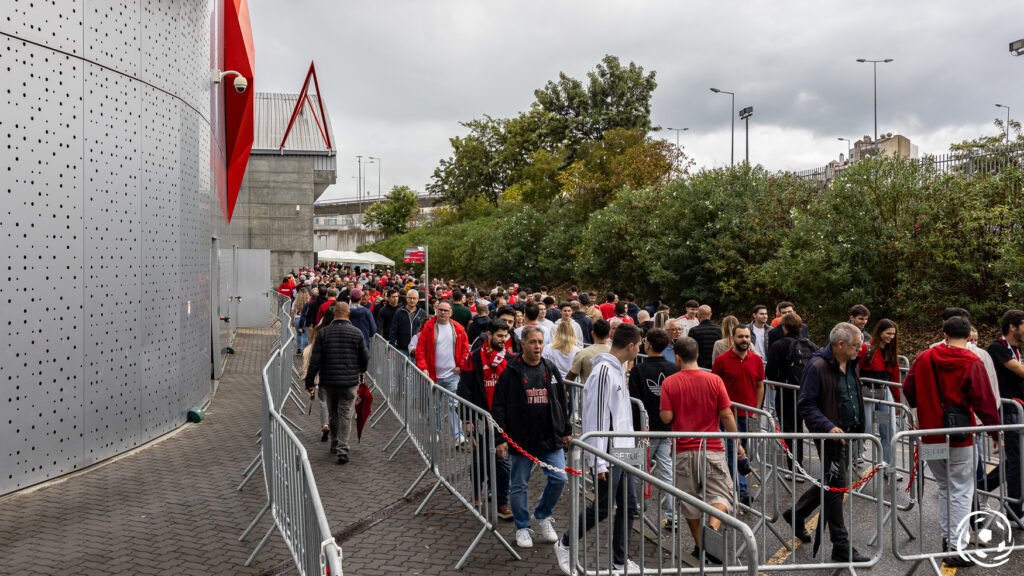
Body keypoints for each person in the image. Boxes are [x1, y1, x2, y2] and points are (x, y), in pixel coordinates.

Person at [904, 316, 1000, 567]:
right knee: (961, 489)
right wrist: (995, 432)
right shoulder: (972, 361)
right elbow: (985, 401)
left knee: (945, 487)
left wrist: (923, 407)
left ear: (944, 334)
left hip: (930, 433)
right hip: (960, 435)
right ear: (969, 337)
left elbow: (908, 387)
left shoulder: (924, 357)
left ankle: (949, 539)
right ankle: (957, 547)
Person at [555, 323, 643, 575]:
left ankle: (620, 561)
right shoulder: (604, 371)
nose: (639, 350)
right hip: (610, 452)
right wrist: (598, 460)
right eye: (638, 346)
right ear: (630, 345)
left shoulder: (617, 369)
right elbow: (596, 416)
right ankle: (565, 543)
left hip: (624, 449)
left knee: (629, 506)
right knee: (603, 507)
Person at [780, 323, 868, 563]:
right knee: (836, 488)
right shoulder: (817, 366)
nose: (859, 349)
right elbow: (806, 404)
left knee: (832, 483)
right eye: (855, 345)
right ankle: (841, 545)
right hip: (830, 437)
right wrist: (828, 427)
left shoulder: (851, 362)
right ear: (840, 344)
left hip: (849, 434)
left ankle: (796, 513)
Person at [659, 336, 742, 563]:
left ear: (677, 358)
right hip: (712, 447)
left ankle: (701, 544)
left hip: (683, 449)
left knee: (689, 502)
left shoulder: (670, 383)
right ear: (697, 355)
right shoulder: (714, 380)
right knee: (723, 493)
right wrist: (737, 442)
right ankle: (712, 527)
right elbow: (726, 414)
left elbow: (666, 417)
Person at [493, 327, 572, 549]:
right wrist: (500, 438)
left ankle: (543, 514)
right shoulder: (511, 372)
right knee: (519, 484)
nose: (537, 346)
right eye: (533, 342)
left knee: (559, 478)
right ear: (523, 344)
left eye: (540, 342)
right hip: (521, 439)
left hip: (549, 437)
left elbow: (561, 400)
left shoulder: (550, 368)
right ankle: (522, 526)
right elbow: (498, 406)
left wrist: (565, 429)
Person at [457, 319, 514, 520]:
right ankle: (476, 492)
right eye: (499, 335)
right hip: (480, 417)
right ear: (489, 335)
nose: (503, 339)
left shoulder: (510, 358)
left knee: (503, 463)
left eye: (505, 336)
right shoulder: (474, 357)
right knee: (480, 460)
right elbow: (465, 388)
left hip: (502, 421)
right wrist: (466, 418)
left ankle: (502, 503)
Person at [303, 302, 369, 465]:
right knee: (345, 414)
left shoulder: (323, 333)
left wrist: (309, 381)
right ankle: (343, 449)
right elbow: (364, 357)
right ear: (348, 314)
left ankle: (334, 443)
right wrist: (361, 369)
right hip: (349, 382)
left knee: (333, 413)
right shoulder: (357, 333)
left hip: (329, 381)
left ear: (334, 314)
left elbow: (315, 360)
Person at [627, 327, 679, 526]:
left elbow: (634, 402)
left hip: (644, 429)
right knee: (666, 471)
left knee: (638, 469)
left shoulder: (638, 370)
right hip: (666, 427)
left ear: (647, 344)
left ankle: (636, 506)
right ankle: (672, 515)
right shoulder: (674, 369)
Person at [711, 324, 764, 505]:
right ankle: (741, 490)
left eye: (747, 337)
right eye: (740, 336)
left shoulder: (756, 360)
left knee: (744, 453)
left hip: (749, 415)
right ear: (732, 338)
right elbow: (715, 386)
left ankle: (734, 484)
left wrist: (756, 411)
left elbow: (760, 386)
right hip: (728, 415)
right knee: (734, 451)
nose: (744, 340)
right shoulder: (722, 360)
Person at [983, 310, 1024, 520]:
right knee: (1016, 461)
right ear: (1012, 326)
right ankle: (1015, 510)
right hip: (1008, 410)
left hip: (1018, 410)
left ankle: (979, 488)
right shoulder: (997, 347)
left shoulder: (1016, 349)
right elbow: (1019, 370)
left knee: (1015, 461)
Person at [415, 300, 471, 447]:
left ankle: (458, 436)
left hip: (452, 375)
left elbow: (465, 348)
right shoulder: (428, 327)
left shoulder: (458, 328)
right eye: (441, 310)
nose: (443, 313)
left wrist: (460, 366)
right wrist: (423, 368)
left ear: (451, 312)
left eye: (446, 310)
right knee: (435, 406)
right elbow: (420, 350)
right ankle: (436, 432)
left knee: (453, 405)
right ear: (436, 310)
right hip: (433, 376)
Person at [766, 312, 811, 474]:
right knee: (806, 428)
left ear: (784, 326)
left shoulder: (778, 345)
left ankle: (795, 467)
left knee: (790, 429)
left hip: (786, 392)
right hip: (807, 392)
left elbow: (770, 371)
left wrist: (777, 382)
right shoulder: (809, 345)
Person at [858, 319, 900, 473]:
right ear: (880, 332)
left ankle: (888, 466)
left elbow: (894, 377)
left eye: (893, 334)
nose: (891, 337)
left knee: (887, 430)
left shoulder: (890, 351)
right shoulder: (866, 349)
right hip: (866, 392)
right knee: (866, 428)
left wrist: (897, 401)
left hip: (883, 393)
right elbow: (855, 370)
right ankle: (854, 455)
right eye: (888, 333)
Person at [566, 319, 611, 384]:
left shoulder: (583, 353)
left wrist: (564, 390)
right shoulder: (614, 354)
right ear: (608, 335)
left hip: (587, 389)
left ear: (592, 334)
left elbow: (570, 377)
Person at [389, 289, 426, 355]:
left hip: (416, 349)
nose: (412, 300)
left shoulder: (422, 313)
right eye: (410, 298)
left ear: (418, 299)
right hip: (402, 348)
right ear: (406, 299)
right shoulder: (399, 312)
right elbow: (393, 330)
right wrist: (392, 346)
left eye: (414, 298)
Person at [688, 305, 720, 370]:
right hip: (716, 366)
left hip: (700, 367)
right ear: (710, 315)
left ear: (698, 315)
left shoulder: (693, 331)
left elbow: (690, 351)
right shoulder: (719, 330)